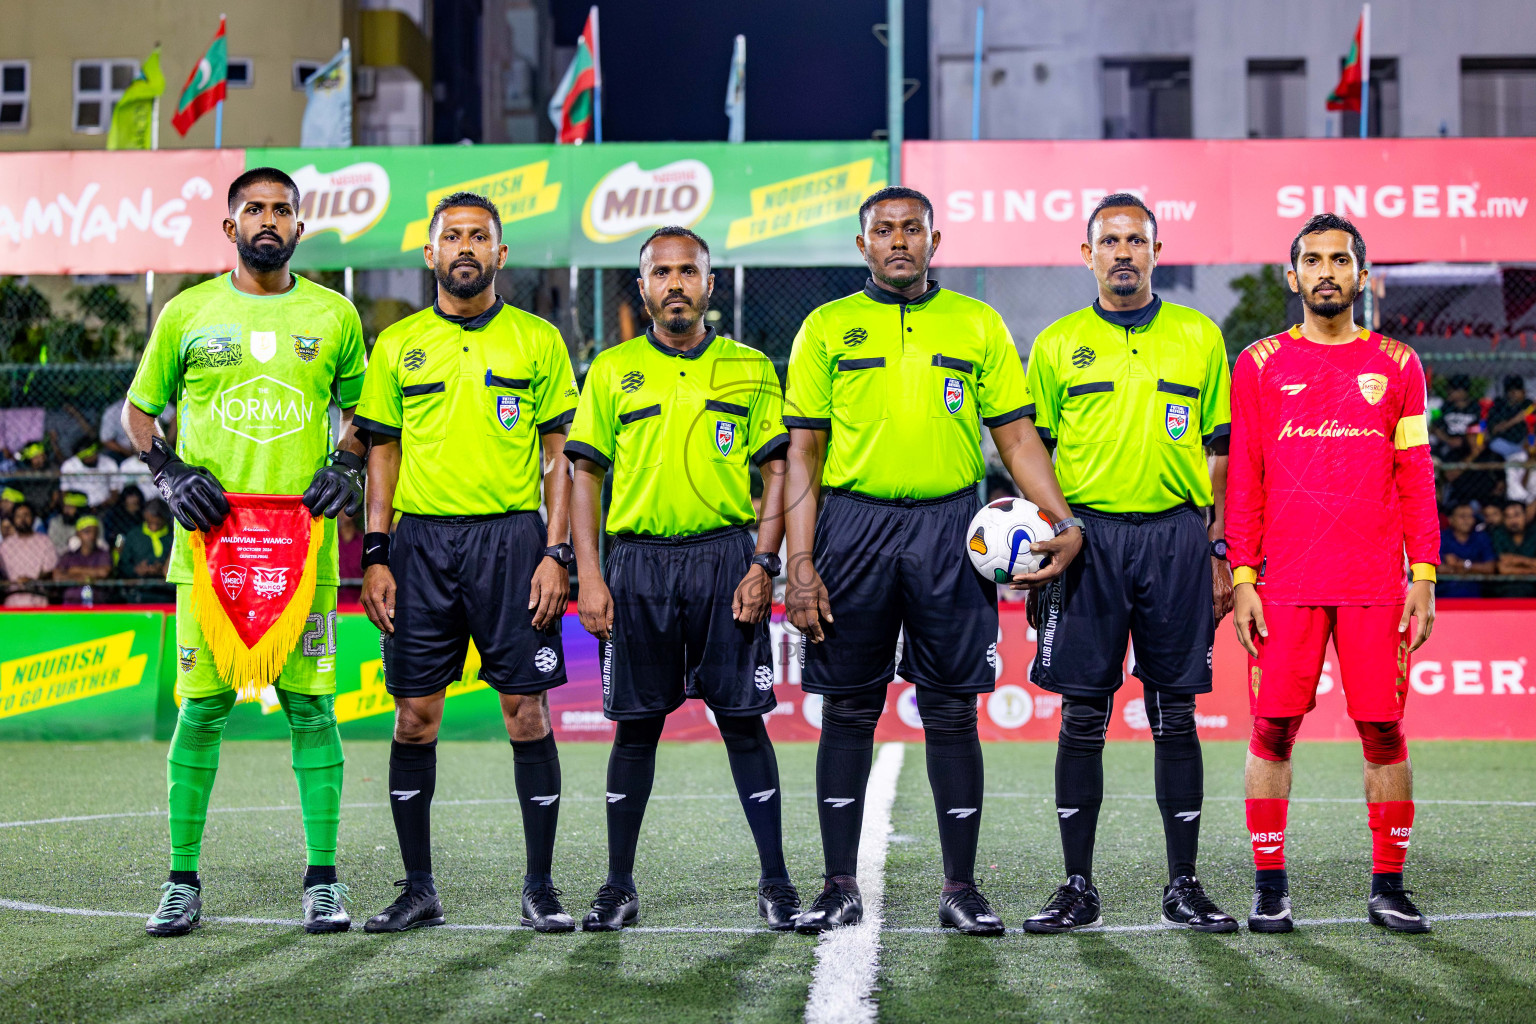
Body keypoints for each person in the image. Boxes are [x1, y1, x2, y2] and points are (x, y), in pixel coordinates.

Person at [784, 186, 1082, 936]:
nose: (897, 241)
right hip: (852, 527)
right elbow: (804, 455)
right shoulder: (826, 327)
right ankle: (838, 884)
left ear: (933, 240)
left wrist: (1063, 519)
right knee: (848, 708)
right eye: (883, 230)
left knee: (951, 709)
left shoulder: (977, 323)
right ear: (863, 246)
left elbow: (1016, 439)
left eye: (911, 229)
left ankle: (961, 888)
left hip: (954, 530)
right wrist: (800, 560)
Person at [125, 166, 368, 937]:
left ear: (300, 227)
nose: (270, 220)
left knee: (311, 708)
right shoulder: (187, 312)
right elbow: (138, 414)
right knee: (201, 711)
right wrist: (169, 472)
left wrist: (348, 465)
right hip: (208, 552)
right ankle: (181, 880)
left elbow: (364, 416)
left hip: (303, 554)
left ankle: (323, 880)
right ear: (230, 228)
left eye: (283, 210)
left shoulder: (334, 316)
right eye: (255, 210)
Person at [355, 192, 578, 934]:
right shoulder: (396, 347)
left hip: (513, 545)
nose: (465, 246)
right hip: (418, 547)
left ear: (500, 254)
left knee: (525, 711)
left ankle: (540, 888)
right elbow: (380, 457)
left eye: (479, 236)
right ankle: (418, 888)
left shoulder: (538, 340)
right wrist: (376, 554)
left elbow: (560, 460)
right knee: (415, 717)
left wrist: (557, 551)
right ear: (429, 253)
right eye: (452, 235)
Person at [566, 226, 800, 933]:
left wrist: (765, 563)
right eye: (661, 273)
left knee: (744, 726)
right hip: (636, 567)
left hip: (727, 563)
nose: (675, 284)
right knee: (635, 731)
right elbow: (584, 475)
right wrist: (590, 575)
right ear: (642, 287)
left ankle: (777, 882)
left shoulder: (751, 368)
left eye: (688, 272)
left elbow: (779, 469)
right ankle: (617, 886)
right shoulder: (610, 371)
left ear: (709, 284)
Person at [1022, 192, 1237, 934]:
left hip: (1178, 541)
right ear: (1087, 255)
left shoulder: (1200, 337)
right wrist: (1052, 531)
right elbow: (1032, 455)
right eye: (1108, 240)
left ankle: (1184, 885)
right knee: (1083, 716)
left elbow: (1221, 457)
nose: (1122, 252)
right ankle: (1077, 886)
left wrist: (1217, 550)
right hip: (1090, 544)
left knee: (1175, 714)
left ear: (1155, 250)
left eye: (1135, 240)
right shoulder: (1055, 345)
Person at [1231, 213, 1441, 934]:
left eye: (1340, 260)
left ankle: (1389, 885)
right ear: (1293, 278)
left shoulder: (1400, 364)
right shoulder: (1258, 365)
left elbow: (1416, 476)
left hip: (1377, 584)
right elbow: (1247, 481)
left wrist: (1426, 573)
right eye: (1313, 260)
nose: (1326, 271)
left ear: (1361, 276)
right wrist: (1244, 580)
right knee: (1273, 731)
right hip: (1284, 585)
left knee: (1384, 730)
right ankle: (1268, 886)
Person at [114, 498, 173, 603]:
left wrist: (161, 569)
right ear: (145, 516)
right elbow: (122, 565)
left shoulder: (173, 536)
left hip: (167, 591)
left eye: (158, 524)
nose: (154, 528)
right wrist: (136, 570)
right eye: (151, 523)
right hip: (139, 590)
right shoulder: (134, 535)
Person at [0, 502, 58, 607]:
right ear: (13, 519)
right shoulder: (5, 546)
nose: (22, 519)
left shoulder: (45, 542)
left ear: (33, 518)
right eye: (18, 516)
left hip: (38, 599)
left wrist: (32, 581)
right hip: (12, 601)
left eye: (26, 515)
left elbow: (49, 572)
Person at [1437, 503, 1497, 598]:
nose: (1466, 520)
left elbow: (1490, 568)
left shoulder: (1481, 537)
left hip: (1476, 595)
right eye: (1462, 516)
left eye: (1470, 516)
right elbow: (1439, 568)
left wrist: (1462, 564)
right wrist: (1474, 568)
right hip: (1445, 594)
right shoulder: (1442, 537)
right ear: (1451, 519)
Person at [55, 514, 112, 604]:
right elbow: (57, 576)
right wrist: (79, 579)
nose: (91, 536)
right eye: (87, 532)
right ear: (78, 534)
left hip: (97, 604)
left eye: (94, 532)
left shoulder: (103, 554)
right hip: (72, 604)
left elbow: (104, 572)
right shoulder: (69, 556)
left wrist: (75, 571)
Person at [1488, 499, 1536, 598]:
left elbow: (1507, 564)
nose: (1513, 521)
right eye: (1508, 517)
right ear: (1503, 520)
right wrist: (1530, 567)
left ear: (1525, 516)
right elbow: (1502, 567)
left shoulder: (1534, 533)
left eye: (1517, 515)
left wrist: (1513, 562)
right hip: (1506, 587)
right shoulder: (1499, 533)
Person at [58, 437, 119, 509]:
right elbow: (64, 491)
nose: (93, 455)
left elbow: (114, 492)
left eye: (94, 452)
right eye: (89, 454)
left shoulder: (109, 463)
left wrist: (105, 505)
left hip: (103, 506)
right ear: (81, 457)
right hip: (79, 507)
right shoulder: (69, 466)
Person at [336, 513, 363, 605]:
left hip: (361, 605)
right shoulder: (328, 542)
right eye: (340, 507)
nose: (344, 511)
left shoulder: (364, 542)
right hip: (334, 604)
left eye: (348, 505)